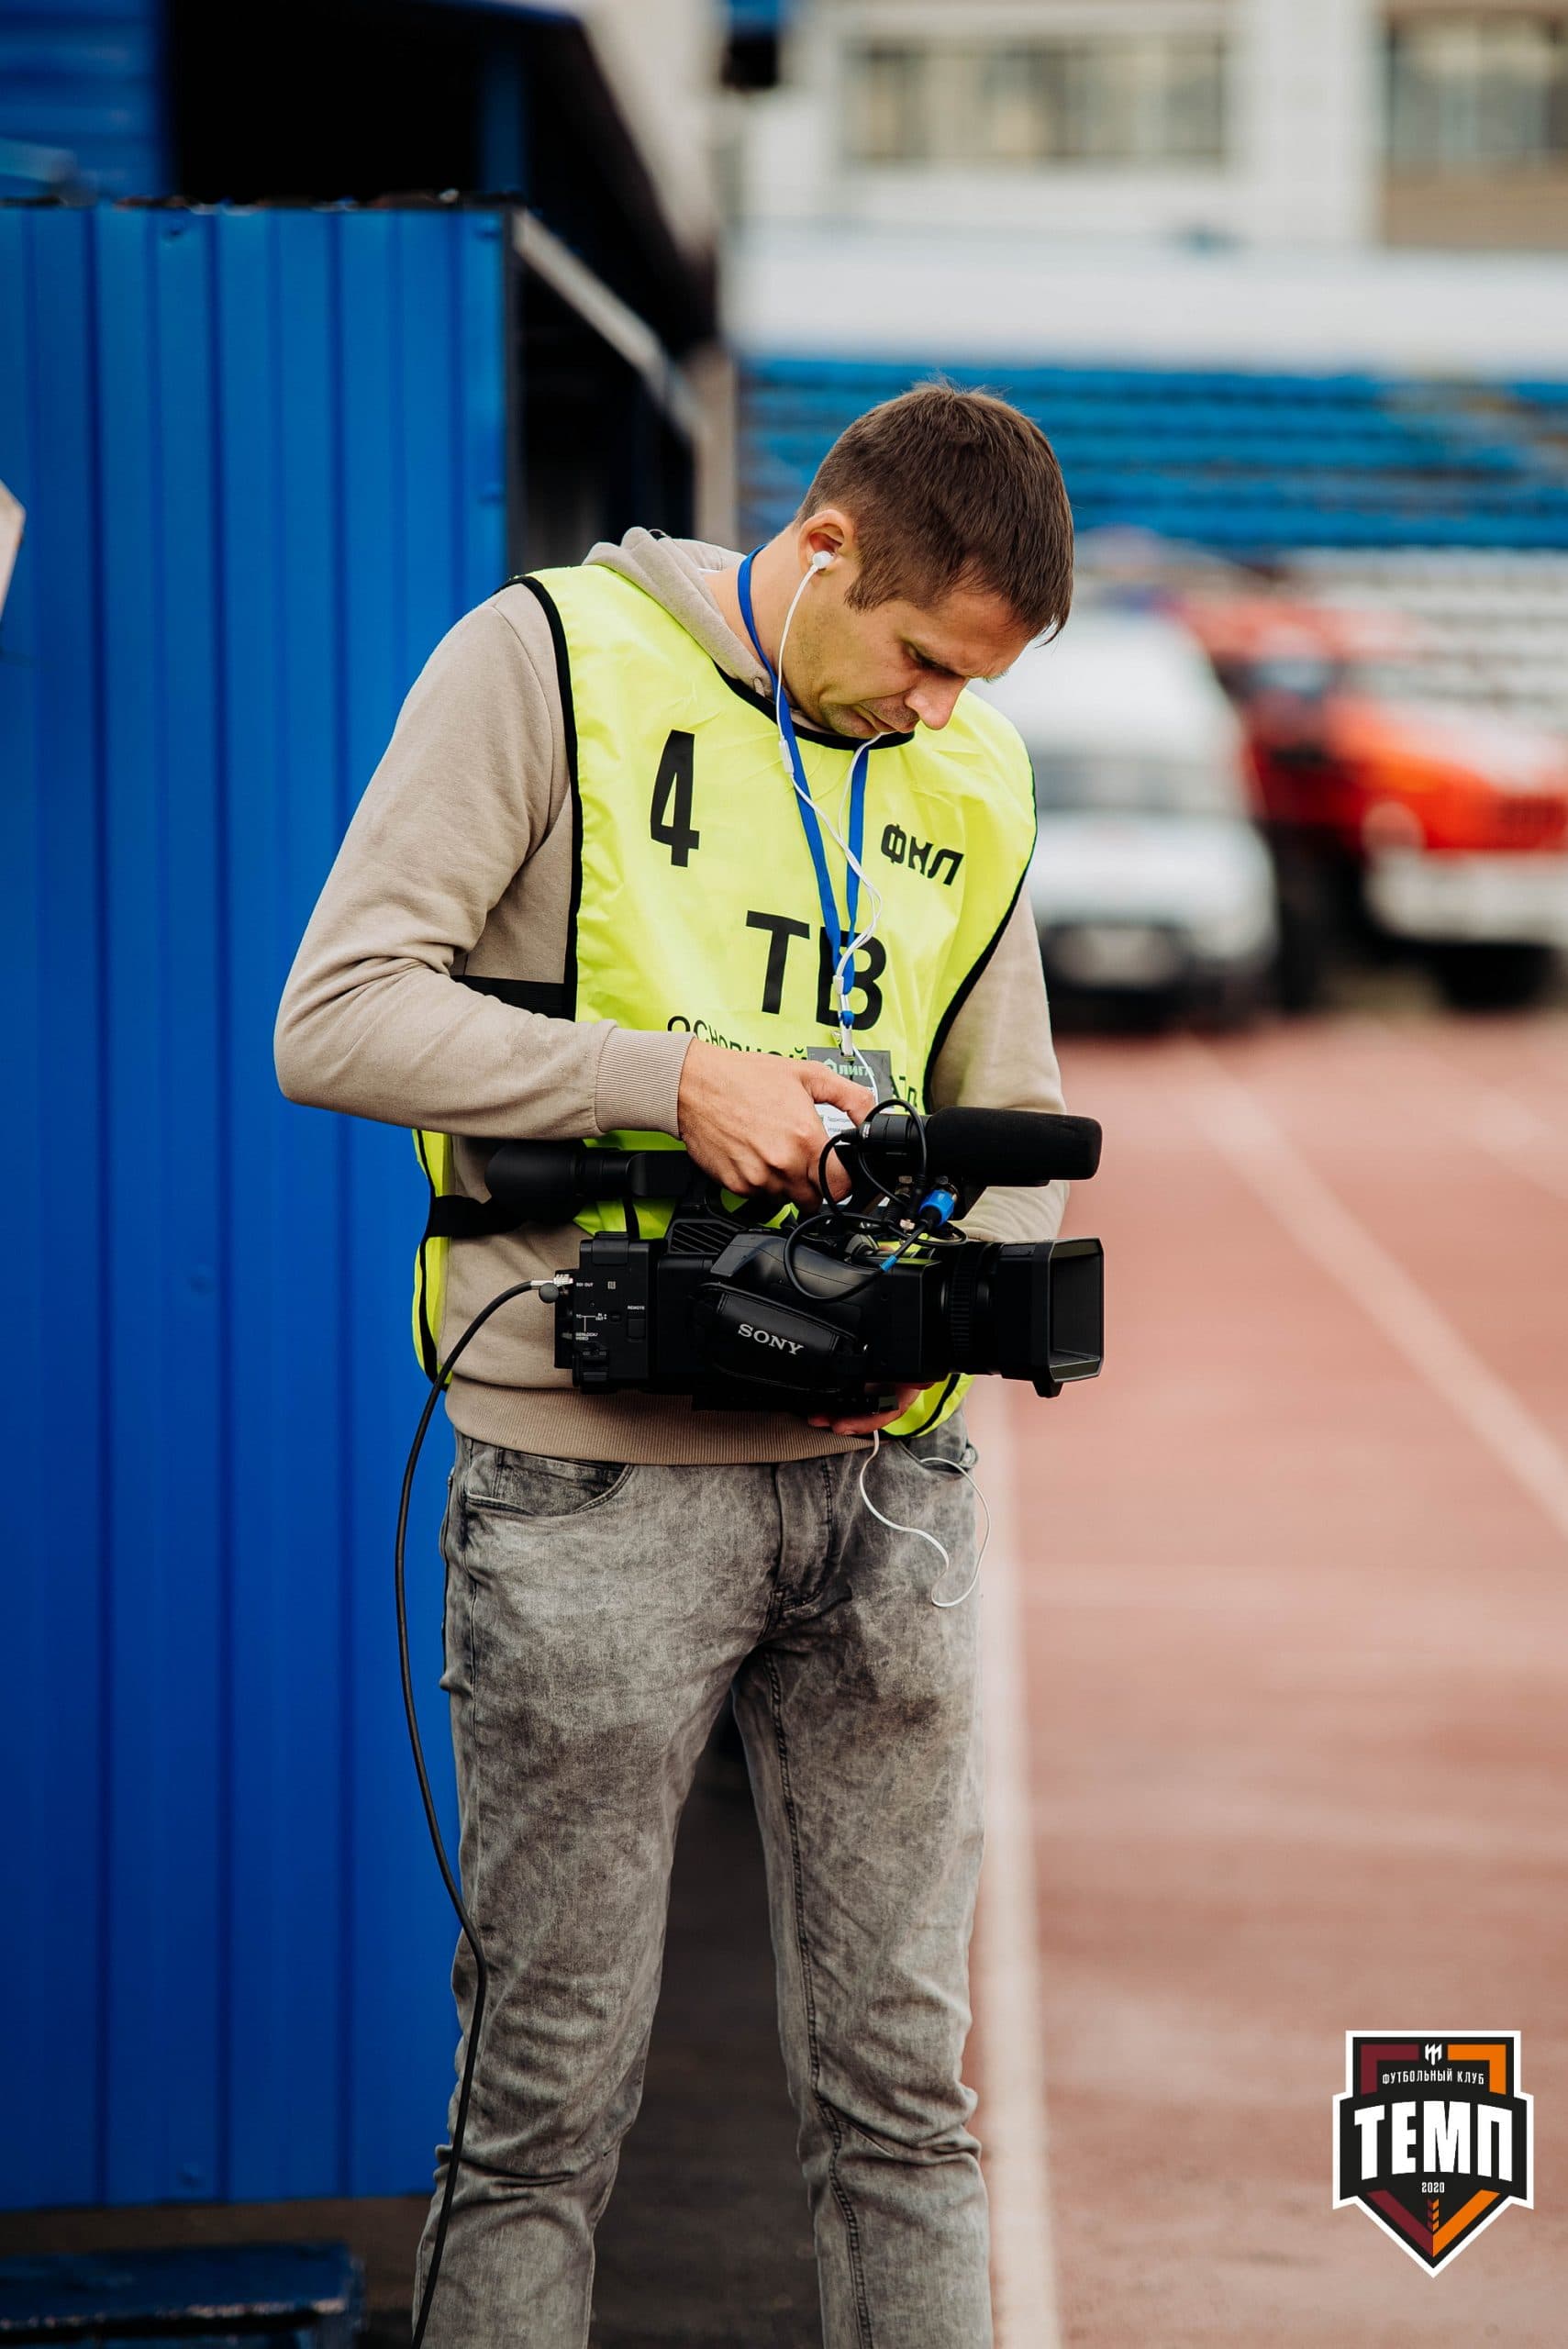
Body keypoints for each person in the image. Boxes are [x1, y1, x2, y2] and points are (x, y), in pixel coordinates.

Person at [273, 383, 1074, 2348]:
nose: (939, 714)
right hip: (594, 1480)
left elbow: (1019, 1124)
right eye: (922, 660)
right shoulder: (544, 663)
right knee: (540, 2119)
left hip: (885, 1495)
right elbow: (337, 1018)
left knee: (910, 2106)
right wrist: (669, 1080)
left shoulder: (970, 771)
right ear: (823, 549)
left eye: (978, 683)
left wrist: (927, 1330)